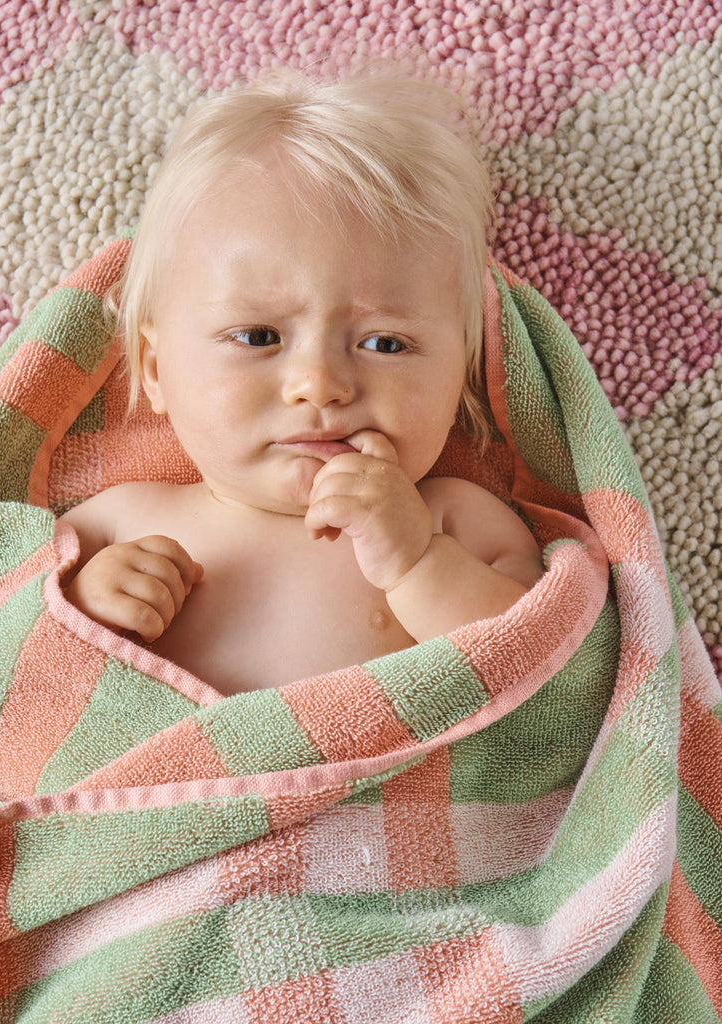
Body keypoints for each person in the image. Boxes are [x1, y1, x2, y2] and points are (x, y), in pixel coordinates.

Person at [59, 70, 545, 697]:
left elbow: (543, 669)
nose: (320, 385)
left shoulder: (454, 519)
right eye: (259, 336)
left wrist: (418, 561)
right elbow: (12, 669)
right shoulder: (116, 524)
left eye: (385, 344)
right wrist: (82, 611)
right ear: (155, 371)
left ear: (463, 379)